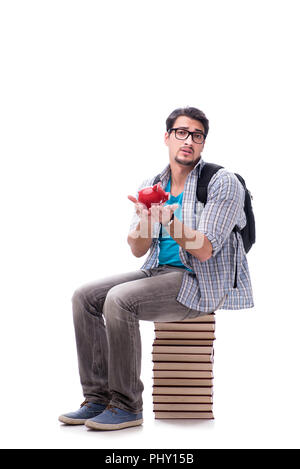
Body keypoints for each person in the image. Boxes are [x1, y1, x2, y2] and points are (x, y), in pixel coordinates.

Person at [58, 106, 254, 431]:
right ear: (167, 137)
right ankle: (97, 398)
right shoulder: (155, 183)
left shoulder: (222, 182)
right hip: (158, 272)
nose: (188, 140)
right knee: (84, 296)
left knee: (119, 300)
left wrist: (171, 221)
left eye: (197, 135)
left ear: (203, 143)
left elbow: (205, 249)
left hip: (198, 282)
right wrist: (147, 221)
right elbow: (137, 250)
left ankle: (126, 406)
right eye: (181, 132)